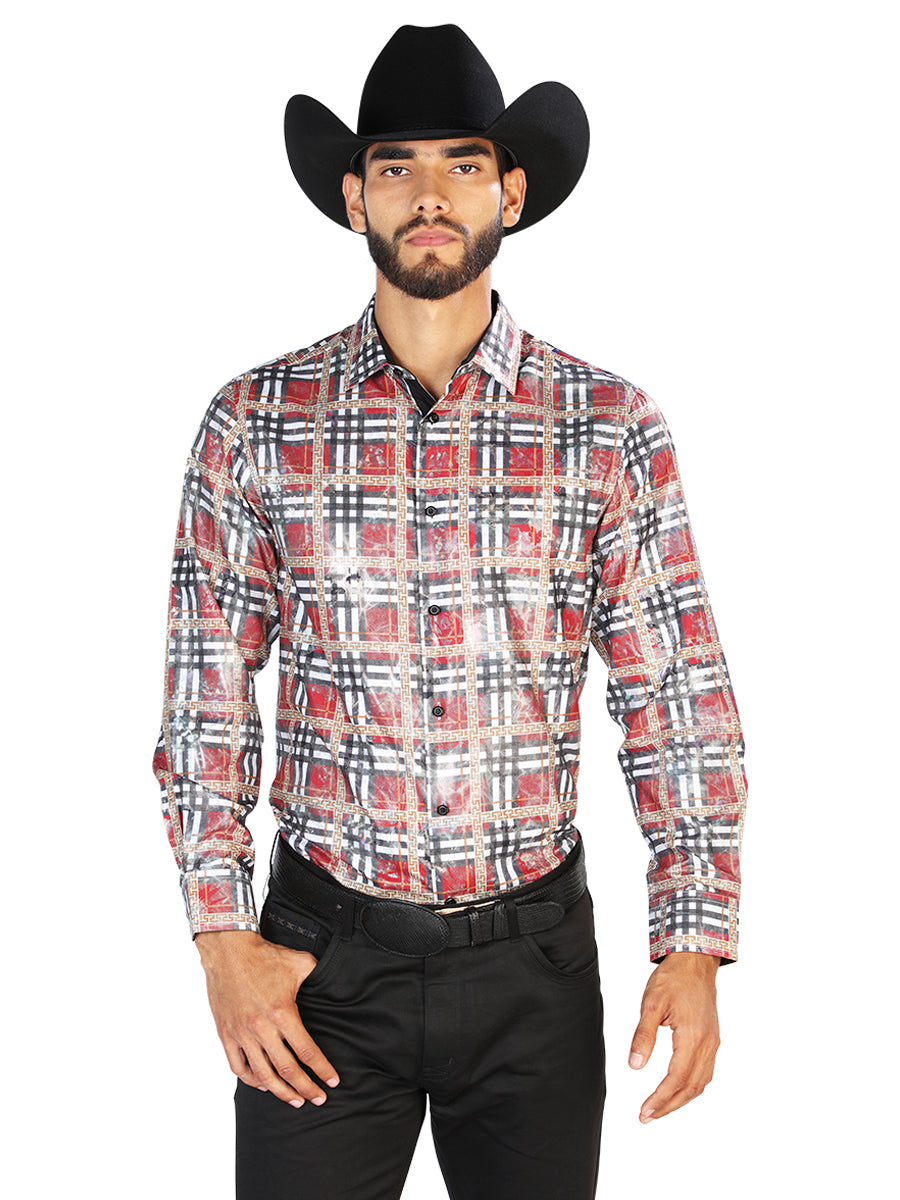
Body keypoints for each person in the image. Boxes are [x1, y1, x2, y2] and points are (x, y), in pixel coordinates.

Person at [152, 23, 747, 1200]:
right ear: (354, 197)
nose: (429, 195)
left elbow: (675, 698)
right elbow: (206, 700)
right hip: (319, 968)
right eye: (397, 167)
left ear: (509, 193)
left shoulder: (607, 428)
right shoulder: (256, 423)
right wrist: (222, 939)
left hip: (533, 969)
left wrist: (692, 941)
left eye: (463, 164)